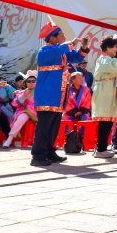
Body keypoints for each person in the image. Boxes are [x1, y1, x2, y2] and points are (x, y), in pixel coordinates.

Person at [31, 21, 89, 167]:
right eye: (61, 35)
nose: (64, 37)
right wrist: (72, 43)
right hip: (46, 95)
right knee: (44, 127)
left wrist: (84, 47)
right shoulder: (45, 51)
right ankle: (37, 156)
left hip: (58, 95)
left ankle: (49, 151)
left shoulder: (61, 52)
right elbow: (61, 50)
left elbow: (76, 57)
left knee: (53, 126)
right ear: (52, 38)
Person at [3, 71, 38, 148]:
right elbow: (15, 104)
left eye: (33, 81)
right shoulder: (21, 92)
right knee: (22, 118)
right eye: (29, 81)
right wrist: (23, 96)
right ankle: (9, 138)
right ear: (25, 83)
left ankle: (38, 141)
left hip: (37, 112)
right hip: (24, 110)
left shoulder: (40, 92)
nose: (31, 83)